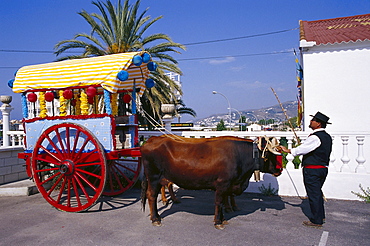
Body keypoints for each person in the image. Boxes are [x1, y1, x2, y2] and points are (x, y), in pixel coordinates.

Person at [280, 111, 332, 228]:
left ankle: (316, 220)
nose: (310, 122)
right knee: (317, 193)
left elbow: (302, 149)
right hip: (323, 169)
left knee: (313, 194)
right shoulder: (326, 137)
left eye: (313, 120)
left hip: (312, 170)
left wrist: (288, 150)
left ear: (318, 124)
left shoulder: (315, 137)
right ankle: (320, 215)